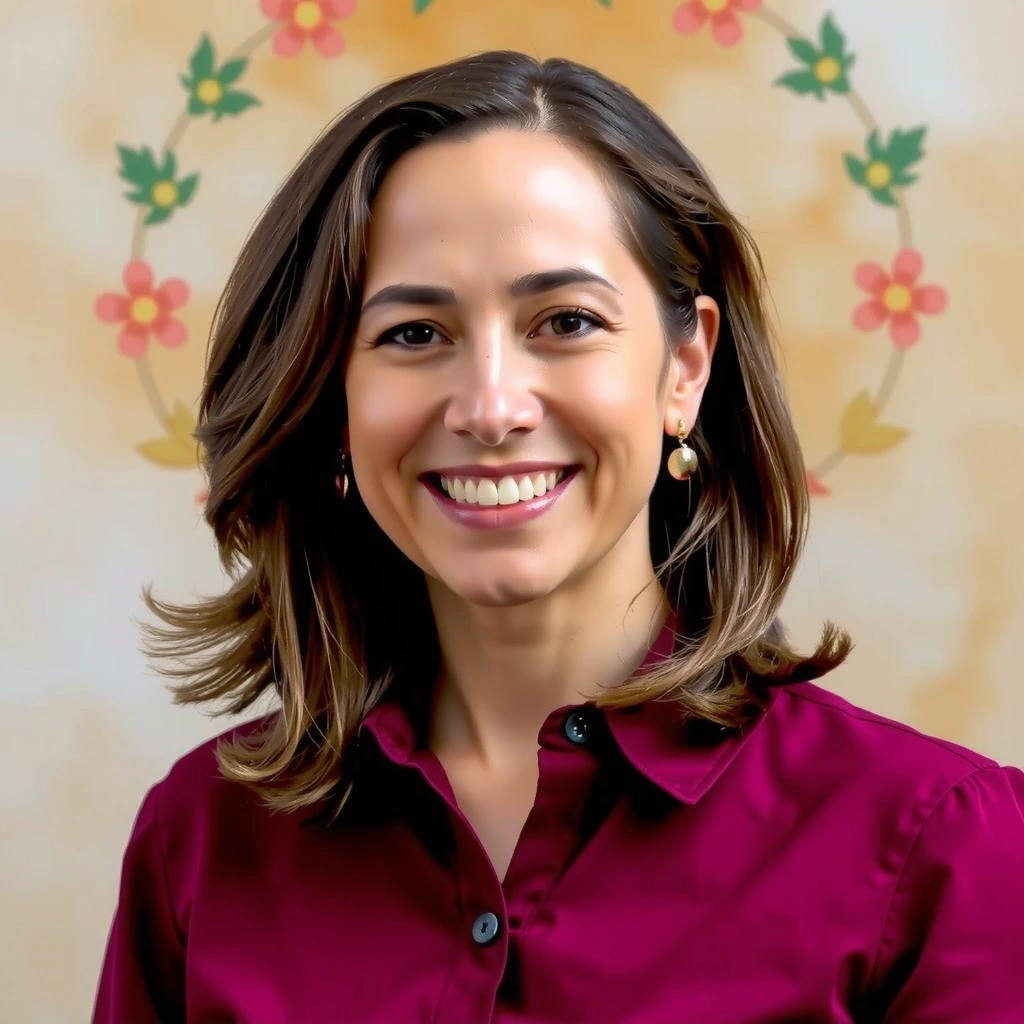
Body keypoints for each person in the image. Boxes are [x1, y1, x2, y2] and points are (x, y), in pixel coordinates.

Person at [93, 50, 1024, 1023]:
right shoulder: (198, 841)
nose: (490, 408)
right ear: (333, 396)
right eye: (414, 334)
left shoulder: (939, 851)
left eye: (565, 321)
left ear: (684, 367)